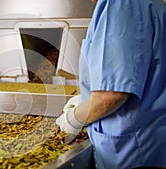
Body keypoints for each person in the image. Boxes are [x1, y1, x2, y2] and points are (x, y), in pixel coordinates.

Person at [56, 0, 166, 168]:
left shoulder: (121, 4)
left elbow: (112, 94)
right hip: (150, 144)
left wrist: (73, 118)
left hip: (133, 152)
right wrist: (87, 98)